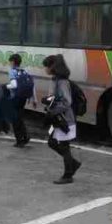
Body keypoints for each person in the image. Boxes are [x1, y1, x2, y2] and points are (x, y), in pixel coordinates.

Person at [42, 54, 81, 184]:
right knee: (52, 142)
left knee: (64, 146)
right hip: (57, 119)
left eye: (46, 66)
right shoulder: (55, 80)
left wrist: (53, 110)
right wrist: (48, 101)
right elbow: (55, 98)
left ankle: (68, 175)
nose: (45, 69)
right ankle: (73, 164)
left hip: (64, 119)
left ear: (53, 67)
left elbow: (66, 101)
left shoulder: (62, 82)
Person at [7, 53, 36, 147]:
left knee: (15, 119)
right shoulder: (24, 71)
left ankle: (19, 140)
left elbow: (14, 85)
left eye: (10, 62)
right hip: (23, 97)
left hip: (15, 97)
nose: (10, 64)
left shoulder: (12, 71)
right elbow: (31, 85)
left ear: (12, 62)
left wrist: (5, 86)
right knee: (19, 117)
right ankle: (25, 136)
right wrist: (33, 99)